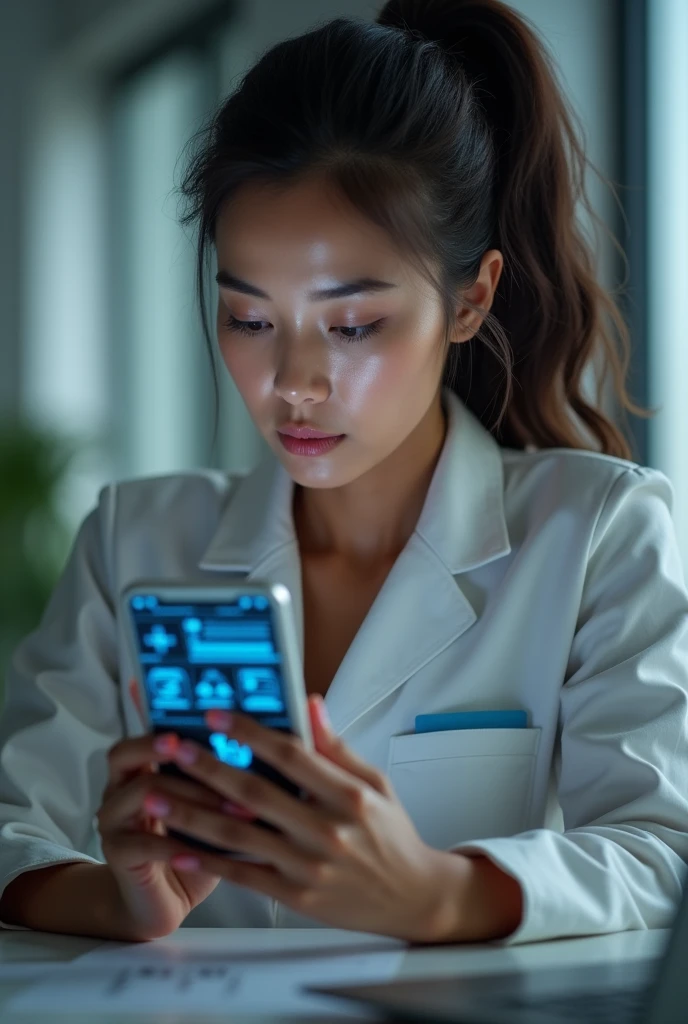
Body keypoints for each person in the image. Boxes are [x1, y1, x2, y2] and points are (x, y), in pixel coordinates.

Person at [1, 0, 687, 946]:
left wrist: (437, 895)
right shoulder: (136, 540)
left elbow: (663, 851)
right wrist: (113, 901)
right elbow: (9, 825)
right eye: (249, 320)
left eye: (354, 325)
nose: (292, 384)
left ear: (469, 298)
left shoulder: (597, 531)